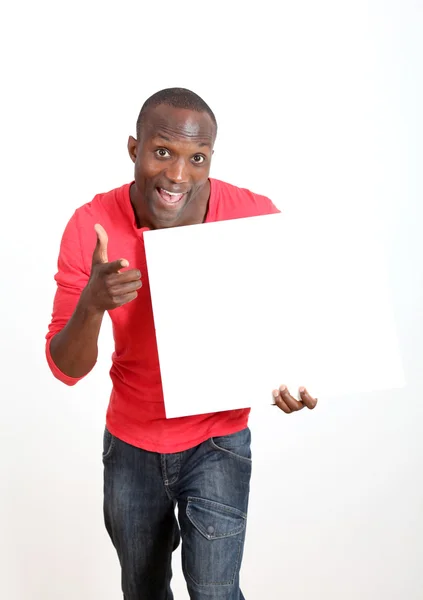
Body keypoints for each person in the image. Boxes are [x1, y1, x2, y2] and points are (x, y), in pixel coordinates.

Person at [45, 87, 318, 600]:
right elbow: (66, 367)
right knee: (143, 590)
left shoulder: (254, 216)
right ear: (134, 148)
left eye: (198, 158)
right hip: (131, 445)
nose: (178, 175)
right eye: (162, 152)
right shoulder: (91, 226)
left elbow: (287, 328)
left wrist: (292, 382)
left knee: (215, 591)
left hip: (217, 441)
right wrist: (92, 303)